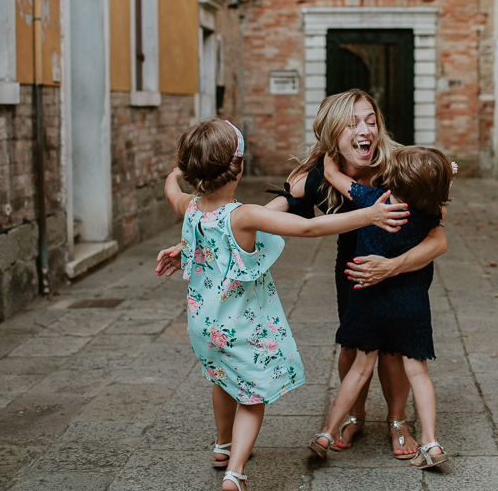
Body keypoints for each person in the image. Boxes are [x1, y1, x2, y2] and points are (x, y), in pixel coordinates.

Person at [156, 90, 449, 459]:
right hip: (355, 269)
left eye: (371, 121)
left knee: (395, 352)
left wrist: (393, 266)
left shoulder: (400, 169)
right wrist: (193, 243)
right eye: (353, 122)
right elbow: (250, 219)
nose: (366, 130)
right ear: (332, 132)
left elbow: (438, 238)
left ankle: (397, 421)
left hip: (403, 270)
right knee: (354, 345)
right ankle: (354, 416)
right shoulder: (313, 177)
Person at [306, 146, 453, 469]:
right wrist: (442, 176)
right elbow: (437, 204)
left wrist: (329, 147)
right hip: (410, 306)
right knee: (418, 372)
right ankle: (431, 442)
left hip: (368, 299)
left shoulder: (372, 200)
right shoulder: (428, 212)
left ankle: (327, 434)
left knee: (359, 369)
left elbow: (332, 175)